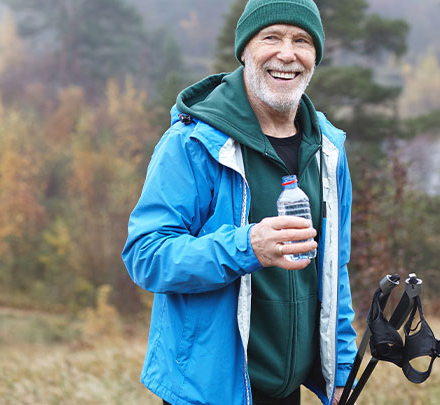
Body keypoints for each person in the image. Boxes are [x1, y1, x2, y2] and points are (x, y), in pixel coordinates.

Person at [122, 0, 356, 403]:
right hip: (207, 391)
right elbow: (146, 255)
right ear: (245, 49)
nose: (288, 53)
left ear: (315, 55)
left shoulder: (328, 150)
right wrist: (246, 247)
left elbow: (336, 268)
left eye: (301, 40)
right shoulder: (193, 142)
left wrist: (342, 367)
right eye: (272, 37)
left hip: (288, 390)